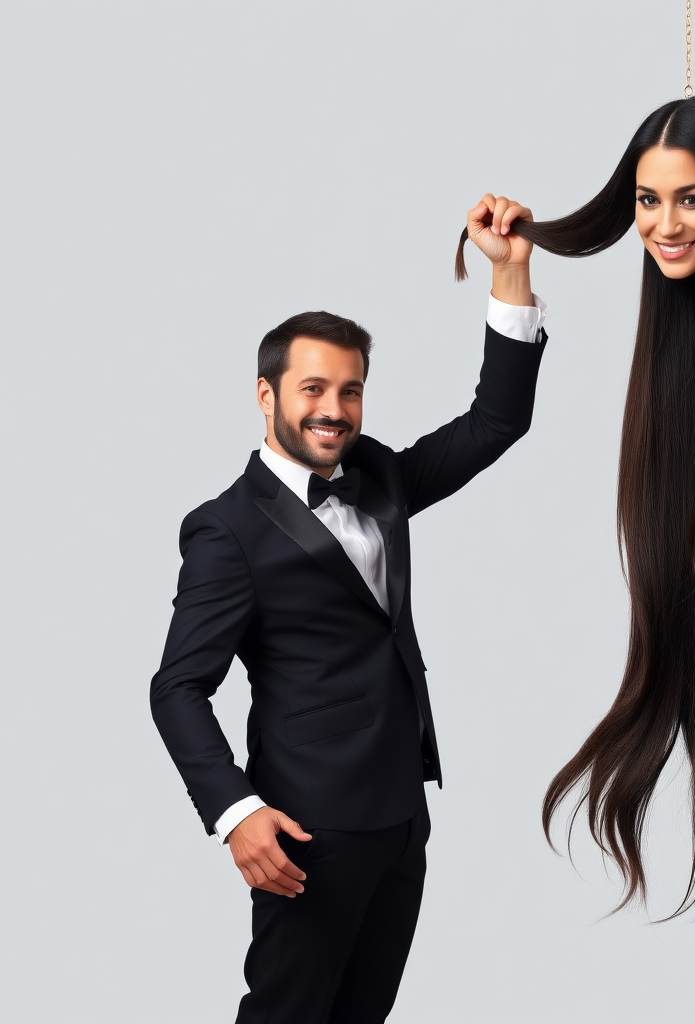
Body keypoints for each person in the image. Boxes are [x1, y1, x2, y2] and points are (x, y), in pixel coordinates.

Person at [152, 194, 542, 1023]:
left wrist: (509, 268)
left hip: (403, 817)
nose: (335, 408)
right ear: (266, 394)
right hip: (309, 832)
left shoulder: (380, 474)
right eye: (314, 389)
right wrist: (236, 813)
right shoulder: (226, 530)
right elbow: (176, 687)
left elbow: (498, 419)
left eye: (352, 390)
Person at [457, 95, 695, 937]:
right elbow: (495, 425)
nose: (663, 224)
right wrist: (510, 273)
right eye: (646, 199)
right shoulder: (669, 338)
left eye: (690, 199)